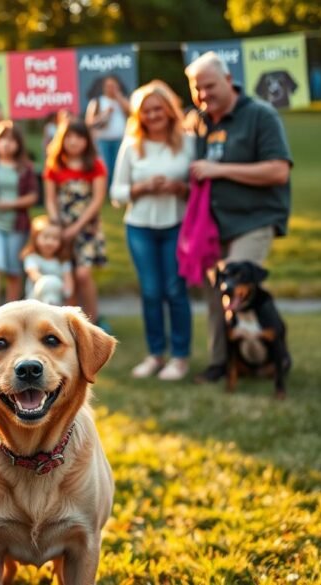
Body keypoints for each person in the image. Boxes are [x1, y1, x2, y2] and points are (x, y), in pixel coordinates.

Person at [185, 51, 292, 384]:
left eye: (209, 86)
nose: (203, 95)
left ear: (229, 80)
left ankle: (265, 355)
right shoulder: (201, 121)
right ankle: (223, 362)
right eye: (196, 89)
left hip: (253, 221)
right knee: (215, 293)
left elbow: (278, 171)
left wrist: (220, 170)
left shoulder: (261, 115)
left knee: (237, 287)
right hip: (212, 228)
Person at [111, 81, 194, 381]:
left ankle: (180, 357)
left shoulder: (187, 142)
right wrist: (142, 188)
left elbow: (199, 186)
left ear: (170, 110)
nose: (154, 114)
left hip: (176, 224)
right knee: (150, 292)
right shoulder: (132, 145)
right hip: (140, 227)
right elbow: (116, 193)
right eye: (147, 110)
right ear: (139, 114)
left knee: (175, 291)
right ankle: (155, 354)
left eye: (159, 108)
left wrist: (179, 187)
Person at [43, 120, 108, 325]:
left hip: (86, 227)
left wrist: (77, 227)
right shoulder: (54, 165)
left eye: (79, 137)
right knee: (67, 275)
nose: (74, 142)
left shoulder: (95, 165)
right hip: (62, 228)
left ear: (86, 141)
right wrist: (56, 223)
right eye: (69, 137)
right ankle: (71, 322)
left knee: (83, 274)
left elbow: (97, 199)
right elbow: (50, 198)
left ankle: (93, 320)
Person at [0, 121, 38, 312]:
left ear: (18, 144)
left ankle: (10, 312)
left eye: (12, 140)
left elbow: (33, 196)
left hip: (17, 225)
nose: (6, 144)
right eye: (2, 139)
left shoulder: (25, 168)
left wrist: (11, 204)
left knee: (13, 271)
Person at [86, 76, 130, 184]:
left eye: (113, 85)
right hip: (103, 139)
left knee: (119, 166)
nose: (111, 88)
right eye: (108, 86)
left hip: (121, 139)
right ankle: (106, 189)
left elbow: (131, 112)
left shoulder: (123, 101)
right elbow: (89, 122)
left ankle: (117, 186)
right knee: (105, 166)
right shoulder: (97, 102)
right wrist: (105, 114)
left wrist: (118, 96)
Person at [21, 216, 74, 305]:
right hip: (35, 302)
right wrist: (50, 282)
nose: (49, 242)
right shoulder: (32, 258)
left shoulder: (63, 261)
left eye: (55, 239)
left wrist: (67, 290)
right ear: (35, 237)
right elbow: (33, 274)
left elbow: (68, 280)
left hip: (56, 302)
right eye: (45, 237)